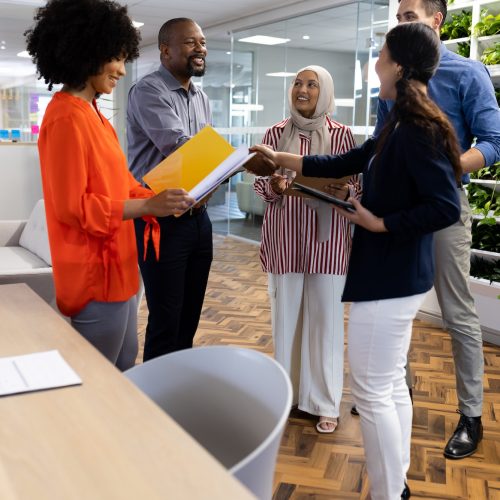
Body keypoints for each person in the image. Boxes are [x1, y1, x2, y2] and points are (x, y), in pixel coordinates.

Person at [252, 22, 462, 499]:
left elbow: (444, 206)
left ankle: (390, 492)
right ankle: (397, 486)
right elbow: (345, 162)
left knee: (372, 393)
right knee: (387, 389)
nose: (376, 64)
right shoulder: (398, 124)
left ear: (401, 66)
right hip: (393, 277)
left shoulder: (417, 130)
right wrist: (281, 158)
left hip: (391, 277)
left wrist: (380, 224)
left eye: (382, 56)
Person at [25, 0, 193, 370]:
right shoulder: (66, 118)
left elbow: (120, 184)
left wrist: (158, 198)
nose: (121, 68)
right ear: (86, 53)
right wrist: (148, 208)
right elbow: (73, 207)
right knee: (103, 379)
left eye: (123, 57)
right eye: (114, 58)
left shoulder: (93, 114)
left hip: (119, 264)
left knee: (123, 365)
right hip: (93, 272)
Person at [372, 0, 500, 460]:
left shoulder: (467, 74)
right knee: (396, 305)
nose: (401, 22)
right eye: (399, 16)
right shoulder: (392, 75)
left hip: (445, 205)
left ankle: (471, 416)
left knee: (458, 313)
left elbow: (494, 142)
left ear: (436, 19)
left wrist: (440, 167)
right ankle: (397, 395)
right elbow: (379, 144)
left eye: (409, 15)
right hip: (398, 207)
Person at [253, 65, 358, 433]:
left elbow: (357, 188)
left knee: (326, 324)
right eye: (298, 83)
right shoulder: (274, 133)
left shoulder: (344, 136)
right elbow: (260, 186)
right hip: (285, 239)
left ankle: (325, 403)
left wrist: (345, 193)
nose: (303, 89)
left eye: (312, 84)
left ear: (325, 92)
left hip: (327, 244)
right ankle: (288, 397)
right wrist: (273, 188)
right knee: (286, 324)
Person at [127, 18, 213, 361]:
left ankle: (178, 392)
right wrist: (238, 160)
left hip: (197, 218)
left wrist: (219, 169)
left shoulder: (201, 97)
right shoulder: (148, 91)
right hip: (160, 221)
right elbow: (180, 146)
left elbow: (204, 155)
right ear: (166, 50)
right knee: (166, 318)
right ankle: (154, 403)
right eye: (191, 42)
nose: (201, 49)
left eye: (203, 42)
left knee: (189, 317)